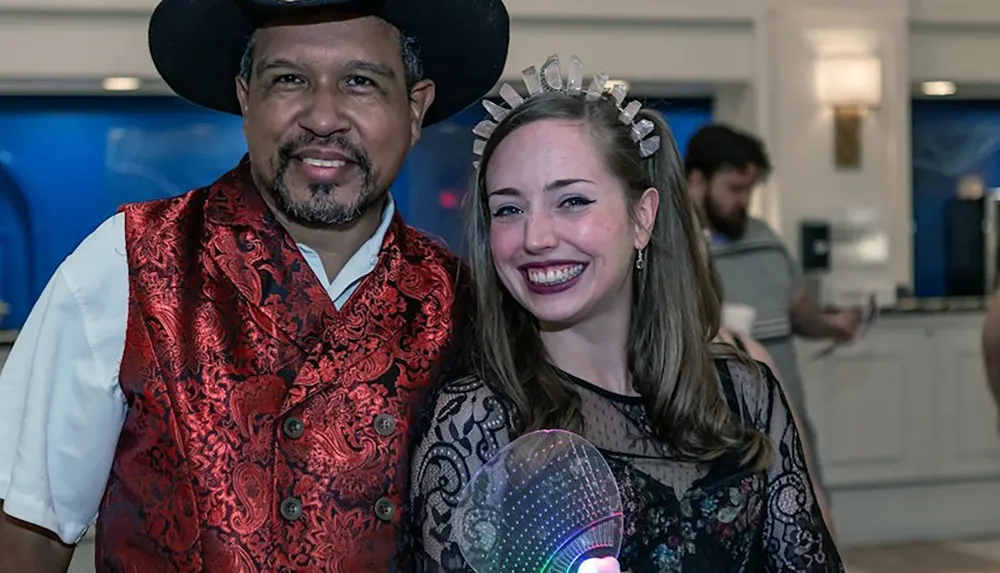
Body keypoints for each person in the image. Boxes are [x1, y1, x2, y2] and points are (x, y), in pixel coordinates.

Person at [0, 0, 509, 571]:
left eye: (360, 82)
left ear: (415, 109)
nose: (322, 117)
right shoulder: (129, 261)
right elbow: (28, 530)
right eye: (289, 79)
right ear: (246, 99)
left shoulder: (467, 305)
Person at [406, 56, 842, 572]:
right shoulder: (476, 423)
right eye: (508, 208)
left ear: (642, 217)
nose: (535, 237)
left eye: (571, 201)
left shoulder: (745, 395)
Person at [685, 123, 862, 503]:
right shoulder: (676, 251)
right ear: (697, 180)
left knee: (808, 507)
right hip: (719, 430)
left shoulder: (764, 236)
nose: (744, 200)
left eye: (749, 189)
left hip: (787, 412)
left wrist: (833, 325)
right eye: (734, 189)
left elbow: (795, 309)